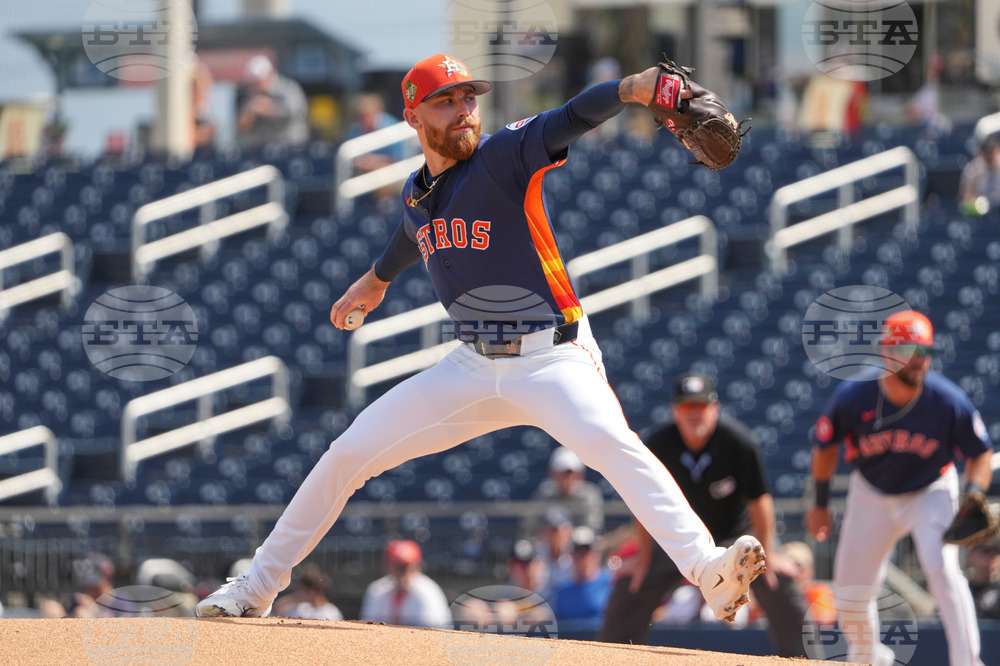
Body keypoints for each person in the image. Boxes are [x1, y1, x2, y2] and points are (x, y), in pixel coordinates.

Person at [196, 52, 765, 624]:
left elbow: (569, 117)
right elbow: (409, 231)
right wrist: (375, 281)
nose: (465, 110)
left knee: (613, 446)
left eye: (470, 96)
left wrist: (633, 88)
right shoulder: (417, 193)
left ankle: (708, 569)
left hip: (552, 357)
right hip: (471, 366)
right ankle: (257, 586)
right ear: (414, 117)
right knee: (347, 453)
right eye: (447, 100)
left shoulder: (502, 156)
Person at [805, 310, 993, 666]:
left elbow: (981, 453)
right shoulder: (854, 396)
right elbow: (825, 446)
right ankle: (868, 658)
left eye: (925, 352)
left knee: (942, 568)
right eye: (909, 351)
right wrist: (819, 503)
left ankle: (968, 662)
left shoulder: (946, 399)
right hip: (872, 492)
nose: (919, 360)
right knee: (850, 589)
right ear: (886, 352)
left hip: (930, 490)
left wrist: (974, 494)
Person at [596, 372, 809, 658]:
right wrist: (644, 559)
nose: (694, 413)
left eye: (700, 406)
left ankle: (803, 659)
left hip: (734, 536)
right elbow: (641, 501)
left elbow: (761, 501)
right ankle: (611, 658)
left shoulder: (737, 441)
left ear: (715, 408)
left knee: (778, 581)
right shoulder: (658, 445)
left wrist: (769, 554)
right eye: (686, 407)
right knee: (630, 585)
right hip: (679, 538)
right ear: (675, 411)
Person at [358, 539, 451, 629]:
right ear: (387, 566)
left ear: (417, 567)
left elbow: (434, 633)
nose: (403, 572)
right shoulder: (377, 590)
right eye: (397, 566)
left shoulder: (429, 592)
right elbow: (367, 628)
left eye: (407, 567)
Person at [520, 446, 604, 538]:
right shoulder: (544, 493)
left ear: (580, 475)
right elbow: (530, 526)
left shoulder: (589, 494)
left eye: (571, 474)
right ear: (552, 473)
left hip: (580, 548)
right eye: (562, 474)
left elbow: (593, 528)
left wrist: (567, 535)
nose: (567, 479)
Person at [236, 55, 309, 149]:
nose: (256, 85)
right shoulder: (251, 94)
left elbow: (291, 113)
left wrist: (267, 107)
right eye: (253, 82)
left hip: (291, 147)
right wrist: (250, 112)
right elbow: (242, 126)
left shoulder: (289, 88)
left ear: (271, 74)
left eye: (259, 81)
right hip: (262, 149)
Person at [551, 526, 612, 624]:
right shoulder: (562, 591)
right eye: (578, 552)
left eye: (586, 552)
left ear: (596, 555)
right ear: (571, 556)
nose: (582, 558)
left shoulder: (611, 583)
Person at [782, 540, 836, 627]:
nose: (791, 572)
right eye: (784, 568)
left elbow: (824, 621)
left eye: (798, 566)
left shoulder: (819, 592)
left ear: (810, 569)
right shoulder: (773, 591)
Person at [273, 563, 343, 621]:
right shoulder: (302, 607)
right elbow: (277, 609)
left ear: (313, 590)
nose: (298, 592)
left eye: (302, 589)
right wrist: (295, 598)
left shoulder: (331, 613)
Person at [958, 133, 1000, 217]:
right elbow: (964, 195)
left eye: (991, 152)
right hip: (980, 213)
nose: (989, 157)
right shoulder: (974, 169)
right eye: (986, 153)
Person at [966, 538, 1000, 620]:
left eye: (997, 551)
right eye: (986, 551)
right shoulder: (960, 589)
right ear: (971, 554)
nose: (992, 556)